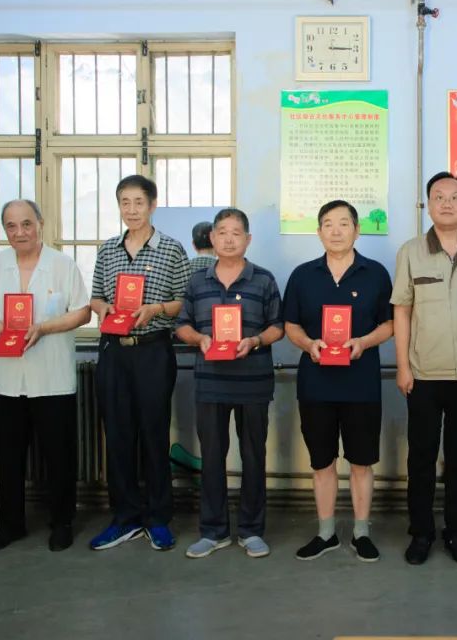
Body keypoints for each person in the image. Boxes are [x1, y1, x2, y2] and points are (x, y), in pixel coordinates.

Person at [0, 199, 91, 553]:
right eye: (11, 225)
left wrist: (45, 327)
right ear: (5, 230)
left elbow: (83, 313)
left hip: (51, 379)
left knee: (59, 456)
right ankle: (10, 525)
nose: (19, 232)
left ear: (40, 224)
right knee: (8, 456)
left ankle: (61, 522)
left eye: (26, 224)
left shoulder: (63, 265)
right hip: (1, 380)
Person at [391, 171, 457, 566]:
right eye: (439, 197)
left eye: (455, 197)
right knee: (421, 458)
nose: (447, 203)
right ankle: (421, 533)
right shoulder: (411, 252)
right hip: (423, 374)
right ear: (428, 204)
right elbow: (402, 311)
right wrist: (403, 366)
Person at [283, 200, 394, 563]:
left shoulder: (375, 273)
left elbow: (390, 324)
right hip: (316, 384)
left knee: (362, 462)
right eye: (328, 224)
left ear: (356, 230)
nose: (336, 231)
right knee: (322, 462)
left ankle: (362, 532)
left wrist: (363, 342)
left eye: (344, 223)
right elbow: (291, 325)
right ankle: (326, 532)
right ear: (318, 232)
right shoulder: (303, 275)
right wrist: (308, 344)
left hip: (361, 384)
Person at [87, 175, 191, 552]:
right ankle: (125, 517)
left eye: (138, 202)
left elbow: (183, 301)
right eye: (125, 203)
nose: (131, 210)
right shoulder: (108, 250)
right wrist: (105, 308)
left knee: (153, 433)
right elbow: (95, 298)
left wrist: (156, 308)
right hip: (114, 351)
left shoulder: (172, 249)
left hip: (152, 350)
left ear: (152, 205)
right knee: (117, 436)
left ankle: (158, 518)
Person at [176, 208, 284, 559]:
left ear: (248, 239)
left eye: (236, 232)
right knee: (211, 458)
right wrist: (199, 339)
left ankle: (251, 530)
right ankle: (214, 531)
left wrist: (255, 341)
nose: (228, 239)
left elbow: (278, 326)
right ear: (212, 238)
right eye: (222, 232)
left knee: (253, 456)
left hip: (253, 382)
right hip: (210, 382)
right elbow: (182, 324)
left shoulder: (263, 279)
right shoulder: (197, 281)